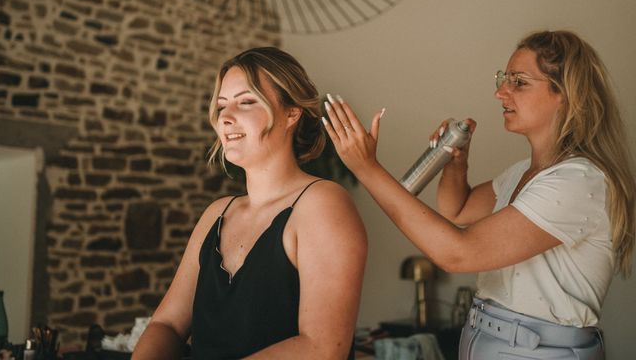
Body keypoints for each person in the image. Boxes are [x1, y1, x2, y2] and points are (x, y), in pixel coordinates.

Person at [322, 30, 634, 359]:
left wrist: (367, 169)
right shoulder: (522, 172)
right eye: (504, 79)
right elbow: (458, 209)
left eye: (519, 82)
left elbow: (458, 253)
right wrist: (457, 164)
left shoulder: (578, 182)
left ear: (566, 95)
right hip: (484, 341)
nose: (501, 92)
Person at [133, 46, 367, 360]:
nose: (226, 118)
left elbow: (322, 348)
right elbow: (167, 325)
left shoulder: (322, 204)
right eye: (221, 105)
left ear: (291, 113)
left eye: (246, 102)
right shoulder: (217, 213)